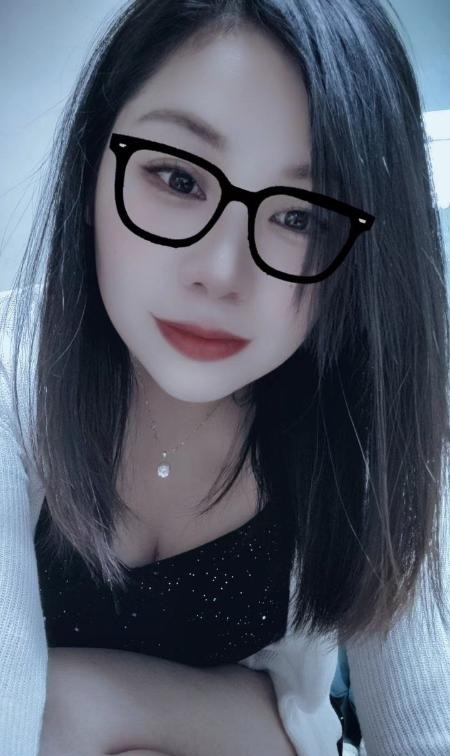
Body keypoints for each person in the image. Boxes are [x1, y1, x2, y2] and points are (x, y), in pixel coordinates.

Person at [1, 0, 449, 754]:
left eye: (302, 217)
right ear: (90, 167)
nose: (219, 271)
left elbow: (425, 727)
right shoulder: (12, 379)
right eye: (177, 178)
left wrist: (84, 699)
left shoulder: (374, 424)